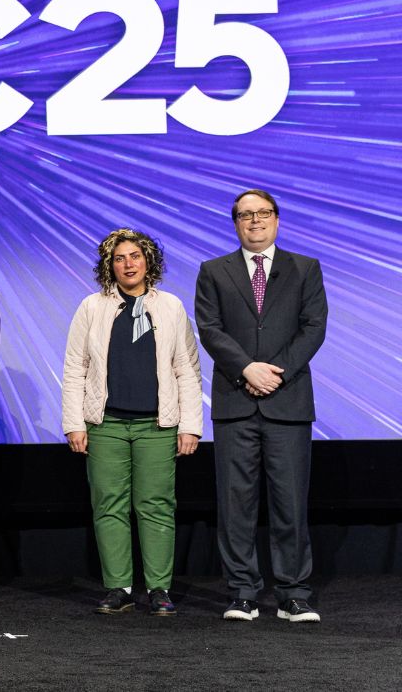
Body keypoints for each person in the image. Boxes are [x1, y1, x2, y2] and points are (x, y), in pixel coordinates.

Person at [196, 189, 327, 623]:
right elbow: (210, 329)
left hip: (287, 402)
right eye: (245, 215)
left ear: (277, 219)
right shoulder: (213, 271)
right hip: (235, 402)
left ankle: (294, 593)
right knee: (236, 505)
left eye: (263, 213)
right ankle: (242, 593)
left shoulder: (305, 269)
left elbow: (313, 328)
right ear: (235, 222)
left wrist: (276, 372)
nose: (255, 221)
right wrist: (246, 369)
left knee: (290, 501)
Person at [62, 229, 202, 616]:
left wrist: (190, 425)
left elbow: (187, 369)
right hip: (105, 424)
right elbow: (75, 368)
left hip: (157, 426)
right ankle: (118, 587)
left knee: (156, 505)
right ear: (110, 265)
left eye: (135, 256)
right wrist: (74, 423)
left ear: (148, 261)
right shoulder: (92, 307)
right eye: (120, 258)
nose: (128, 264)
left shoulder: (171, 306)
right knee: (109, 505)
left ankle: (159, 588)